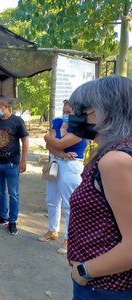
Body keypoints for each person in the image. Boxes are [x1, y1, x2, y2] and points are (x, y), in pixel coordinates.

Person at [66, 76, 132, 299]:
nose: (76, 115)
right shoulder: (112, 153)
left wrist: (84, 272)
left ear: (107, 110)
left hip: (105, 287)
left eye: (83, 109)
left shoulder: (115, 160)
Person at [39, 100, 88, 254]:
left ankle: (69, 240)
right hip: (56, 163)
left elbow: (57, 143)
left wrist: (47, 138)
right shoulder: (58, 122)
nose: (65, 115)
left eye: (69, 112)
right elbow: (51, 146)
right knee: (52, 200)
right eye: (64, 111)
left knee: (69, 204)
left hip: (71, 166)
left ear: (77, 113)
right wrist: (61, 153)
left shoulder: (81, 128)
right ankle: (52, 231)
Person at [0, 94, 29, 235]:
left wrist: (24, 160)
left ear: (6, 106)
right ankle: (2, 217)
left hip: (11, 165)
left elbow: (25, 141)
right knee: (0, 193)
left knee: (13, 193)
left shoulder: (17, 121)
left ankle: (13, 220)